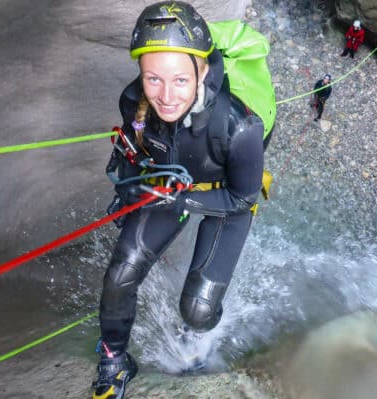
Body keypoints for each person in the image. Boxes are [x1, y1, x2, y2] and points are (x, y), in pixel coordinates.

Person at [92, 2, 265, 398]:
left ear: (202, 71)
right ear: (141, 73)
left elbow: (242, 198)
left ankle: (200, 330)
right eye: (153, 78)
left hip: (221, 201)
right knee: (120, 276)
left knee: (198, 313)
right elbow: (131, 158)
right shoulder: (134, 104)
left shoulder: (239, 127)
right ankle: (114, 359)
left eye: (180, 81)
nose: (166, 97)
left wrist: (183, 202)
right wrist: (129, 188)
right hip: (170, 189)